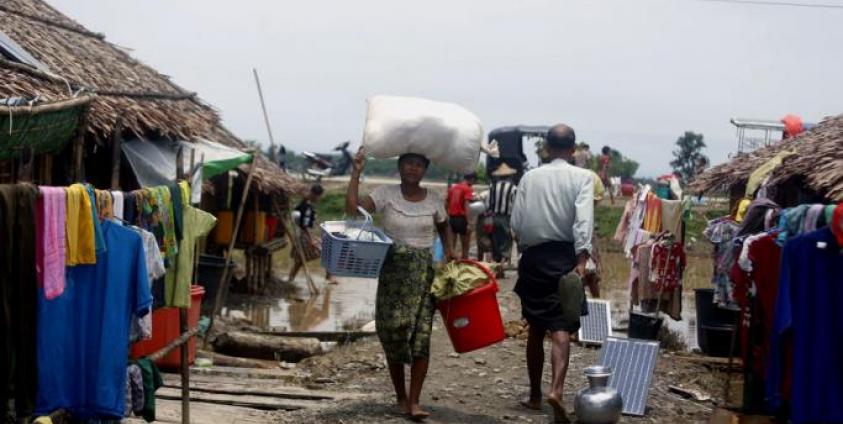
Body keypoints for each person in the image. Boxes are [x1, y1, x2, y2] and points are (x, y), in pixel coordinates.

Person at [346, 149, 453, 421]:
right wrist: (356, 172)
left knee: (421, 337)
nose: (412, 169)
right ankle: (400, 398)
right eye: (408, 164)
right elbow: (352, 210)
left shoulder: (434, 199)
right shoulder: (386, 194)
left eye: (418, 165)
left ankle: (415, 401)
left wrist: (450, 252)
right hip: (392, 273)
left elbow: (444, 225)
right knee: (391, 331)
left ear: (424, 170)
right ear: (400, 167)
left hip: (423, 276)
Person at [511, 124, 594, 423]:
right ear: (573, 150)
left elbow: (517, 222)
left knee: (534, 326)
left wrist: (525, 251)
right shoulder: (583, 177)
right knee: (562, 327)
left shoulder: (529, 178)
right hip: (564, 257)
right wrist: (582, 261)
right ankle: (556, 390)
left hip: (534, 257)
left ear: (546, 149)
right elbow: (583, 221)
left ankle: (535, 395)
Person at [288, 184, 336, 285]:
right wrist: (311, 240)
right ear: (316, 195)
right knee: (327, 251)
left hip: (300, 235)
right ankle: (329, 278)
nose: (320, 199)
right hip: (304, 237)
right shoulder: (308, 207)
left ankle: (290, 279)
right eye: (320, 196)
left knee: (300, 261)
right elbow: (305, 226)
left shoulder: (305, 203)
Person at [486, 163, 518, 278]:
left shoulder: (492, 187)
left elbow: (488, 203)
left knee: (495, 242)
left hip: (494, 217)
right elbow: (515, 205)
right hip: (506, 218)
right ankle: (501, 269)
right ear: (509, 175)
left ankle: (497, 268)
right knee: (506, 242)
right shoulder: (513, 188)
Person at [446, 173, 476, 259]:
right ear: (472, 179)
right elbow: (467, 205)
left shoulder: (452, 188)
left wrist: (448, 215)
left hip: (452, 218)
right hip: (462, 219)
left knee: (452, 248)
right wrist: (470, 223)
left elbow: (446, 202)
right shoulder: (468, 189)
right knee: (465, 248)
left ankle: (450, 267)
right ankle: (464, 266)